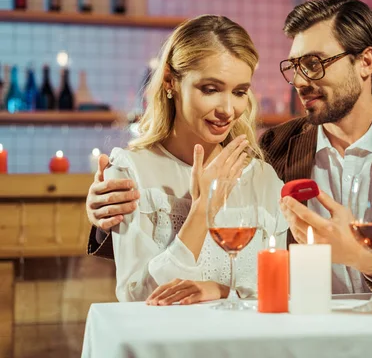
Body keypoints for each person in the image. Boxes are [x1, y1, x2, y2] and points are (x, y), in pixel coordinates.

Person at [87, 0, 372, 304]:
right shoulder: (274, 149)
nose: (300, 80)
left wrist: (364, 257)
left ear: (366, 62)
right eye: (295, 66)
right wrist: (103, 213)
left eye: (315, 64)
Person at [90, 15, 287, 305]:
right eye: (210, 89)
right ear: (170, 81)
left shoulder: (263, 178)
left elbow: (279, 290)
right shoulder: (131, 173)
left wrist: (219, 290)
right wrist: (202, 211)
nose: (228, 109)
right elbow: (139, 299)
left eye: (239, 92)